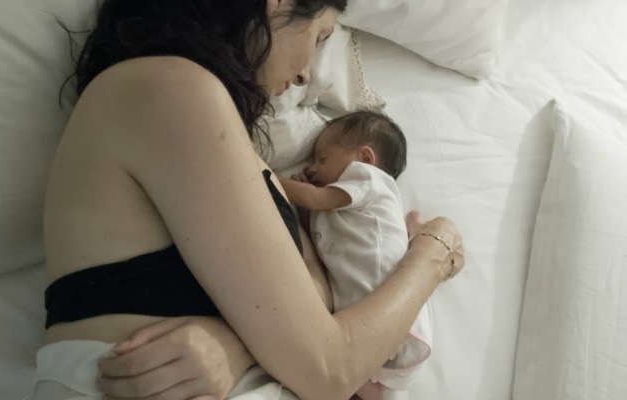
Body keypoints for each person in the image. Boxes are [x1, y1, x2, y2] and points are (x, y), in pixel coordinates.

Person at [34, 0, 465, 399]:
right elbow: (330, 367)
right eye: (318, 38)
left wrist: (234, 342)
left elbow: (317, 299)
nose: (305, 75)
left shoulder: (240, 154)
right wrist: (433, 251)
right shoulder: (166, 88)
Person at [278, 111, 433, 400]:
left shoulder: (368, 179)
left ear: (365, 158)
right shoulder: (346, 207)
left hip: (390, 319)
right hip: (370, 327)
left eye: (322, 160)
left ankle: (415, 227)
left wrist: (268, 177)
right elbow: (315, 238)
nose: (313, 168)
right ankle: (413, 226)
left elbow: (315, 199)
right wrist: (304, 207)